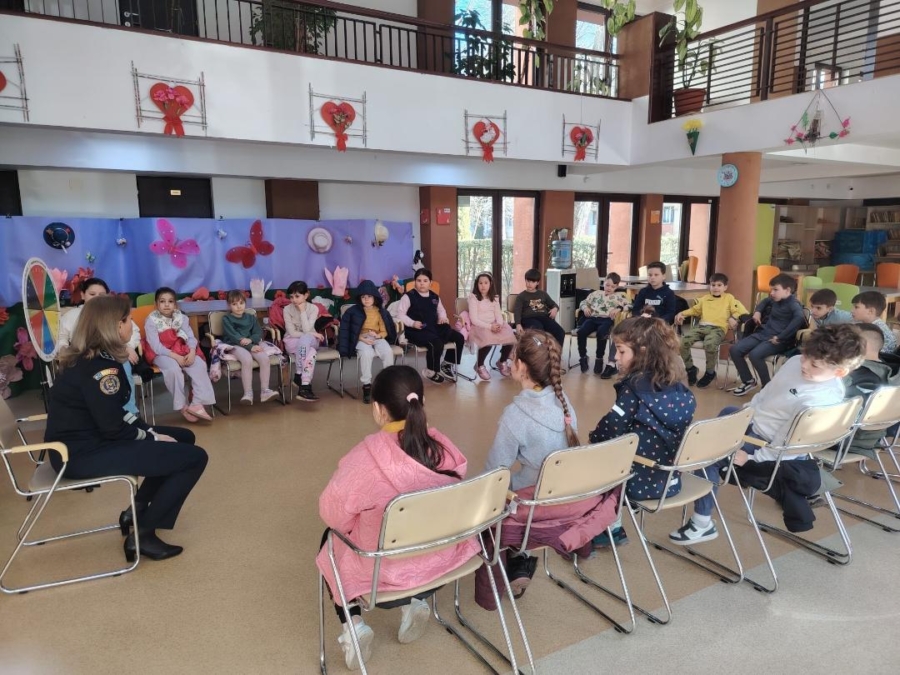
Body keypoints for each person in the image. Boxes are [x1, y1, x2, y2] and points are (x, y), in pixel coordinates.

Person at [316, 365, 477, 671]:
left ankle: (354, 626)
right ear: (422, 403)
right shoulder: (445, 450)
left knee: (330, 540)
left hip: (383, 577)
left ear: (378, 410)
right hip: (441, 562)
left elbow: (332, 514)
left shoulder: (362, 461)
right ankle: (415, 603)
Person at [44, 295, 208, 561]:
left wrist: (150, 433)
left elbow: (116, 413)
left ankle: (136, 510)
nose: (133, 324)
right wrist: (152, 437)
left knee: (184, 437)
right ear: (114, 326)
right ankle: (143, 535)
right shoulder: (101, 369)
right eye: (129, 319)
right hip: (80, 455)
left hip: (86, 442)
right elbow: (113, 427)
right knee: (195, 459)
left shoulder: (94, 358)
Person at [670, 324, 865, 544]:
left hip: (767, 445)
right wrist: (746, 413)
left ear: (839, 372)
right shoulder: (794, 362)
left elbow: (788, 444)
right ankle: (692, 466)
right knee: (726, 414)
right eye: (805, 356)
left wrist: (752, 458)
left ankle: (702, 523)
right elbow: (768, 393)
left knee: (706, 457)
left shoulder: (820, 400)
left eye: (815, 365)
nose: (805, 364)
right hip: (758, 424)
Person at [477, 330, 618, 606]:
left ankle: (514, 561)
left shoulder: (515, 416)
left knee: (489, 502)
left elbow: (495, 472)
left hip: (534, 507)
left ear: (520, 366)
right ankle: (526, 557)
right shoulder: (563, 403)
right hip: (573, 501)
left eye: (512, 358)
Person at [590, 316, 696, 548]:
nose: (615, 358)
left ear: (643, 352)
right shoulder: (679, 388)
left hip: (637, 483)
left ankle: (610, 528)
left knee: (598, 457)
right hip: (670, 479)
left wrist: (592, 439)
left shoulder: (633, 389)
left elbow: (611, 427)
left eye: (621, 351)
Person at [58, 277, 142, 415]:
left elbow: (132, 331)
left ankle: (130, 411)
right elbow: (62, 338)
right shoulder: (71, 316)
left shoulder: (113, 312)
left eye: (101, 295)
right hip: (84, 357)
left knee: (123, 364)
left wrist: (128, 346)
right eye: (92, 294)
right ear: (82, 295)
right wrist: (64, 350)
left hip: (111, 353)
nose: (97, 298)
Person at [143, 287, 215, 422]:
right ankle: (182, 406)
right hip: (160, 352)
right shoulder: (151, 321)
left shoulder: (181, 318)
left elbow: (191, 337)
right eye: (162, 301)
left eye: (170, 301)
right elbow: (156, 346)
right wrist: (175, 357)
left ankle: (197, 403)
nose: (166, 305)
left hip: (180, 348)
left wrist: (192, 351)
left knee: (199, 364)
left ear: (175, 304)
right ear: (156, 304)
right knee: (173, 369)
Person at [729, 273, 805, 395]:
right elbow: (765, 301)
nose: (772, 293)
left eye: (775, 290)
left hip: (779, 340)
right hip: (763, 333)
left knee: (755, 355)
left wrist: (780, 337)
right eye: (771, 290)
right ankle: (748, 381)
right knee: (735, 349)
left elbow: (799, 319)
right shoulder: (775, 299)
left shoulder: (793, 304)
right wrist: (757, 311)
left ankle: (767, 387)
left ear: (787, 290)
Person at [675, 272, 747, 388]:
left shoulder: (729, 298)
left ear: (725, 287)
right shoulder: (704, 299)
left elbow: (740, 311)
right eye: (713, 285)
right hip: (701, 327)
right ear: (710, 286)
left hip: (717, 329)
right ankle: (691, 369)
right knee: (683, 342)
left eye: (719, 285)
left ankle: (710, 372)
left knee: (710, 344)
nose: (716, 288)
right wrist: (682, 313)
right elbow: (694, 310)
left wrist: (734, 318)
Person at [397, 268, 464, 384]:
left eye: (425, 281)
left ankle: (447, 364)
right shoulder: (408, 296)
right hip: (417, 330)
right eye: (419, 280)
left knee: (459, 337)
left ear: (430, 283)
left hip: (433, 327)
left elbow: (441, 311)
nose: (422, 283)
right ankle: (431, 371)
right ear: (414, 282)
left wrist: (442, 317)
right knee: (436, 343)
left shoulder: (435, 297)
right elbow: (400, 315)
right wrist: (412, 323)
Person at [338, 279, 397, 404]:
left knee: (387, 352)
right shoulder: (352, 311)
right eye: (363, 297)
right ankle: (367, 386)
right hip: (360, 338)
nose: (366, 299)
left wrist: (377, 336)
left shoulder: (380, 311)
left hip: (376, 337)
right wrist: (361, 338)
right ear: (359, 298)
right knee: (366, 353)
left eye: (369, 296)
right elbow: (349, 331)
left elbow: (385, 331)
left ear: (375, 297)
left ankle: (388, 383)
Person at [221, 289, 278, 406]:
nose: (239, 306)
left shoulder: (251, 317)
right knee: (247, 359)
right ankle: (248, 393)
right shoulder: (226, 319)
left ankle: (265, 391)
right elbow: (234, 336)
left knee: (264, 359)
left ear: (245, 303)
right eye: (234, 304)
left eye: (241, 303)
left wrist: (251, 340)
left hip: (250, 343)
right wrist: (250, 346)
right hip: (234, 344)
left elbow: (258, 332)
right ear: (229, 305)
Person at [576, 272, 630, 375]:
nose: (609, 288)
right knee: (581, 332)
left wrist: (619, 308)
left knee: (602, 333)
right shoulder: (596, 293)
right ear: (603, 283)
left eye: (613, 287)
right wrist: (585, 308)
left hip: (606, 320)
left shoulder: (618, 297)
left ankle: (599, 358)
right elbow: (583, 302)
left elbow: (629, 305)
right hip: (592, 318)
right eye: (607, 285)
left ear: (617, 286)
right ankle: (583, 357)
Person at [467, 272, 516, 381]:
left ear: (490, 284)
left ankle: (502, 361)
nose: (483, 286)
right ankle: (479, 365)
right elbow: (474, 319)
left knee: (510, 336)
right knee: (488, 339)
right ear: (477, 284)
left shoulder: (494, 298)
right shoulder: (473, 298)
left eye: (486, 283)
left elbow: (498, 314)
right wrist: (490, 327)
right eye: (480, 283)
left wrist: (499, 324)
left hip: (494, 324)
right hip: (479, 326)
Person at [283, 280, 324, 402]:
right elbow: (292, 333)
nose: (294, 300)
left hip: (310, 341)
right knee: (311, 353)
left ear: (306, 295)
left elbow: (306, 330)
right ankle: (305, 385)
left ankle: (299, 374)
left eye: (297, 296)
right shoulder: (287, 309)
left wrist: (302, 312)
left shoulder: (313, 308)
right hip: (292, 341)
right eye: (291, 297)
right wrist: (313, 333)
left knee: (306, 339)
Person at [513, 268, 566, 348]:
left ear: (537, 282)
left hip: (544, 317)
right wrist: (518, 324)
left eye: (533, 282)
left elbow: (553, 304)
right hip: (528, 318)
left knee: (560, 332)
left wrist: (555, 309)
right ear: (525, 280)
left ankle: (555, 353)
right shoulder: (521, 296)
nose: (529, 284)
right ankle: (541, 354)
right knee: (539, 331)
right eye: (528, 281)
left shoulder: (543, 294)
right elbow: (517, 311)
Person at [851, 290, 898, 355]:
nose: (852, 310)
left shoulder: (879, 333)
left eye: (856, 307)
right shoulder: (863, 324)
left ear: (871, 311)